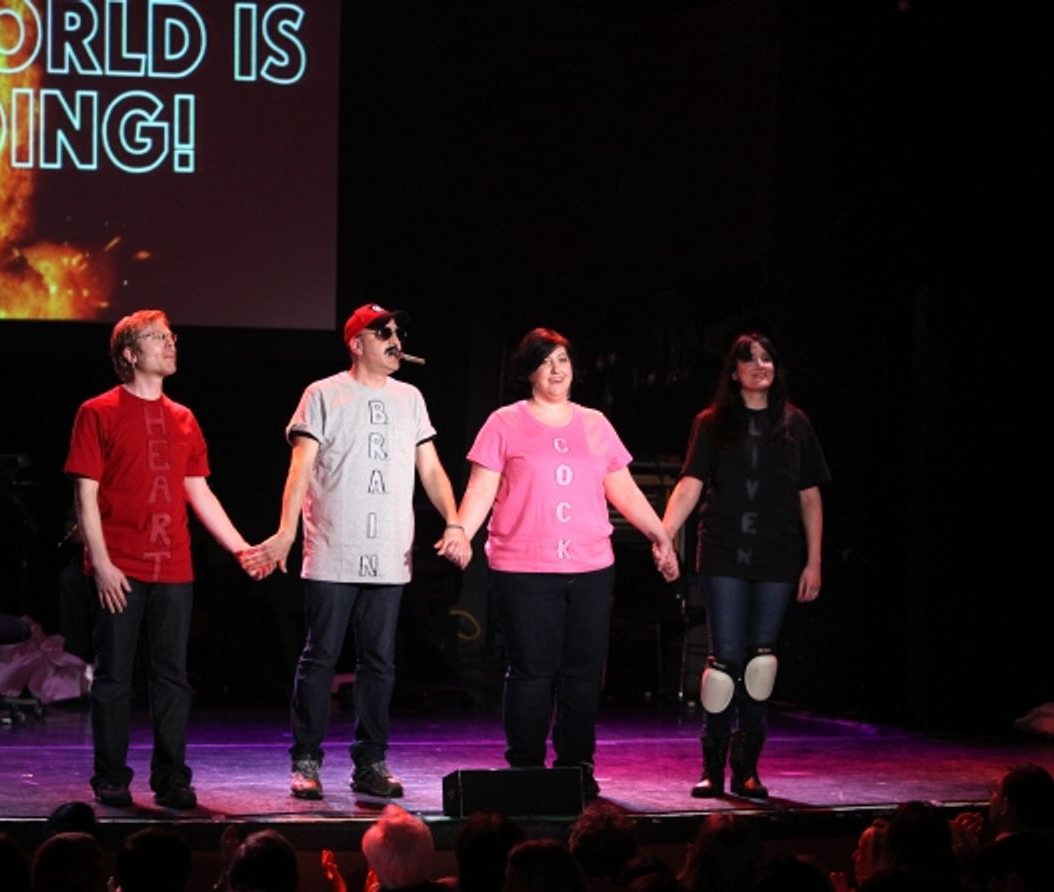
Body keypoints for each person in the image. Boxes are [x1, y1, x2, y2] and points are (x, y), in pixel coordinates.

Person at [246, 303, 470, 800]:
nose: (395, 339)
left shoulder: (410, 398)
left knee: (380, 661)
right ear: (356, 343)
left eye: (397, 331)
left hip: (389, 551)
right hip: (334, 546)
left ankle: (370, 761)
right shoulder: (323, 394)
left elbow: (431, 469)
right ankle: (306, 759)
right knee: (320, 655)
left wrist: (454, 521)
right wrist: (285, 532)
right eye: (382, 331)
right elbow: (300, 469)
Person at [453, 328, 678, 798]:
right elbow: (481, 490)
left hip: (590, 568)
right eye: (546, 361)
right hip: (523, 569)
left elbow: (623, 490)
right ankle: (527, 768)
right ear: (529, 371)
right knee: (532, 672)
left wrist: (660, 535)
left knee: (583, 673)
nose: (557, 370)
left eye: (563, 360)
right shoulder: (504, 422)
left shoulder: (596, 424)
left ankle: (576, 766)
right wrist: (460, 532)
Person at [65, 309, 256, 810]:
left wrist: (239, 547)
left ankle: (172, 778)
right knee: (114, 676)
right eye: (157, 337)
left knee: (172, 678)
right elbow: (85, 496)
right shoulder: (98, 412)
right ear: (130, 354)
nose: (170, 343)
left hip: (173, 566)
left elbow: (199, 491)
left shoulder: (184, 418)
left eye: (171, 336)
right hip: (119, 566)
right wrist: (101, 563)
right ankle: (111, 776)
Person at [662, 332, 829, 799]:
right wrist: (664, 534)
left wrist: (814, 561)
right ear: (733, 373)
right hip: (723, 553)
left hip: (777, 557)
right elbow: (691, 483)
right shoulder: (712, 423)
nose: (760, 366)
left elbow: (810, 497)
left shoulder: (795, 424)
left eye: (767, 358)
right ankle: (712, 768)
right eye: (749, 359)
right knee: (724, 665)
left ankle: (748, 769)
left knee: (760, 664)